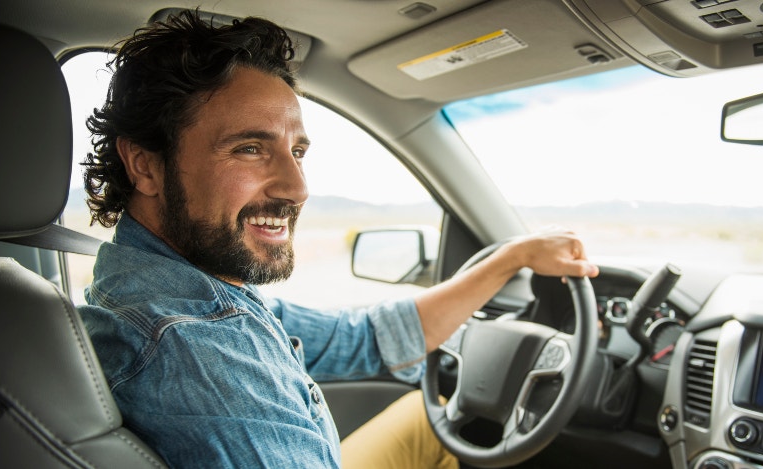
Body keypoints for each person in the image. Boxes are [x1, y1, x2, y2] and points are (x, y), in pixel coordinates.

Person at [77, 9, 599, 468]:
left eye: (297, 152)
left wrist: (514, 257)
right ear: (144, 165)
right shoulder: (201, 346)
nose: (297, 189)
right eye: (249, 149)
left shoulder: (183, 288)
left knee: (423, 415)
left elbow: (364, 338)